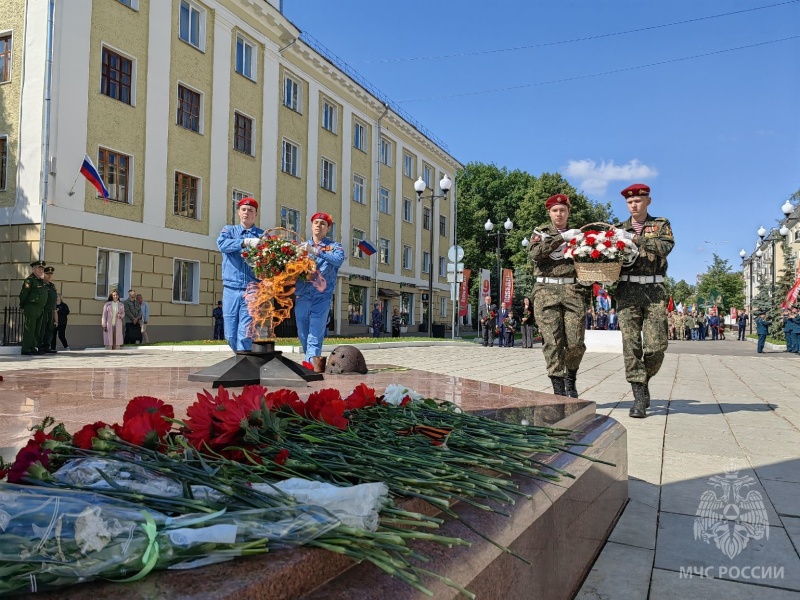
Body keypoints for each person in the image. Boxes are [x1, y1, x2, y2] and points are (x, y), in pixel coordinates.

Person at [613, 183, 674, 418]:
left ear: (648, 201)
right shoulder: (618, 228)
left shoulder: (660, 224)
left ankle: (645, 377)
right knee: (631, 346)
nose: (633, 204)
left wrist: (637, 240)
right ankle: (639, 395)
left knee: (657, 346)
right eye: (629, 202)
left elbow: (665, 247)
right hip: (627, 290)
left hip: (654, 290)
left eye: (638, 200)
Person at [529, 193, 587, 398]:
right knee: (552, 341)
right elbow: (535, 253)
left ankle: (570, 376)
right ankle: (559, 390)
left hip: (573, 290)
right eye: (555, 210)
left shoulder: (579, 234)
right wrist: (562, 238)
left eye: (563, 210)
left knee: (575, 342)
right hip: (546, 291)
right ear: (549, 213)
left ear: (568, 212)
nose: (559, 214)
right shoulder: (541, 232)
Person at [294, 212, 345, 370]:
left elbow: (338, 260)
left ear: (328, 228)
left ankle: (311, 367)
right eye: (316, 222)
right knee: (303, 333)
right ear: (311, 226)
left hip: (321, 297)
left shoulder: (334, 247)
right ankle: (310, 360)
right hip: (302, 295)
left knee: (315, 334)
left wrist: (317, 251)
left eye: (323, 223)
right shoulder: (301, 247)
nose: (318, 225)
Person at [216, 197, 264, 352]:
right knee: (230, 334)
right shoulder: (229, 231)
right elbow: (222, 245)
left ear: (255, 214)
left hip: (252, 288)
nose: (246, 213)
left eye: (250, 210)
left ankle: (243, 365)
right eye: (243, 209)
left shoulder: (263, 236)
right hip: (231, 288)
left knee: (245, 333)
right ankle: (240, 361)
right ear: (238, 212)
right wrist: (244, 243)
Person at [19, 260, 48, 356]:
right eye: (38, 268)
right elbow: (24, 294)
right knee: (30, 328)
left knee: (37, 329)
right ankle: (26, 348)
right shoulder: (29, 280)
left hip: (40, 308)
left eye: (42, 268)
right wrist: (22, 305)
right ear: (33, 269)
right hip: (32, 307)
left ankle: (33, 347)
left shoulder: (41, 281)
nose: (41, 270)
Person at [39, 266, 58, 354]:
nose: (49, 276)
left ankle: (47, 346)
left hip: (51, 310)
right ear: (43, 274)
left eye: (51, 274)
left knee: (49, 329)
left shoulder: (52, 285)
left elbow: (54, 300)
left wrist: (55, 313)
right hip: (44, 310)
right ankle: (39, 346)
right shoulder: (41, 285)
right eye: (47, 274)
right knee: (42, 329)